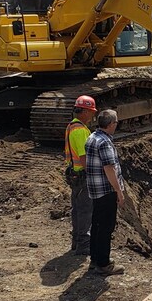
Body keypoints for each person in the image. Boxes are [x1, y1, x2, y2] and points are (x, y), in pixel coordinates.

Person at [84, 108, 126, 276]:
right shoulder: (105, 142)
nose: (117, 125)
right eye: (116, 122)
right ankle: (103, 264)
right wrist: (119, 191)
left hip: (95, 190)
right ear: (110, 124)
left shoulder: (92, 137)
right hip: (106, 190)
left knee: (97, 224)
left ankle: (95, 259)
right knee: (106, 227)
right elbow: (109, 168)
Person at [64, 95, 97, 255]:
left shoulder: (71, 126)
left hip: (75, 175)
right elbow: (84, 157)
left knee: (77, 209)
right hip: (83, 176)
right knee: (85, 211)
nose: (92, 115)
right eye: (91, 112)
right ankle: (84, 244)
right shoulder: (81, 130)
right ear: (84, 111)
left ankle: (76, 242)